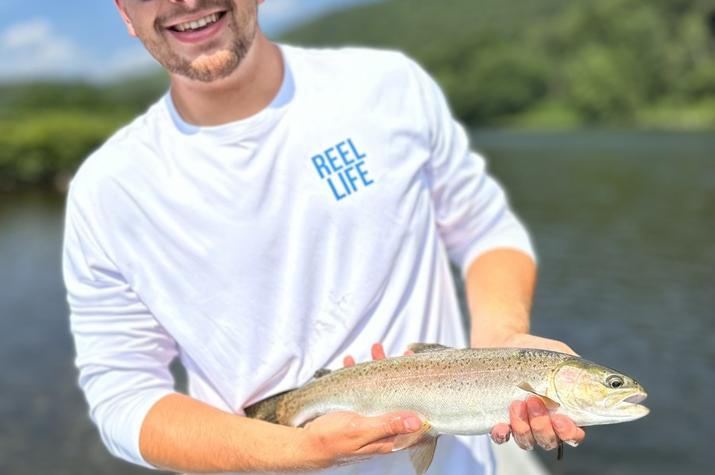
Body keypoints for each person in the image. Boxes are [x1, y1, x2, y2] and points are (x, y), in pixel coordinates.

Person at [62, 1, 586, 473]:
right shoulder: (107, 190)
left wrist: (500, 347)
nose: (187, 1)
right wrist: (300, 451)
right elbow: (123, 395)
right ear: (123, 13)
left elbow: (484, 228)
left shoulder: (388, 86)